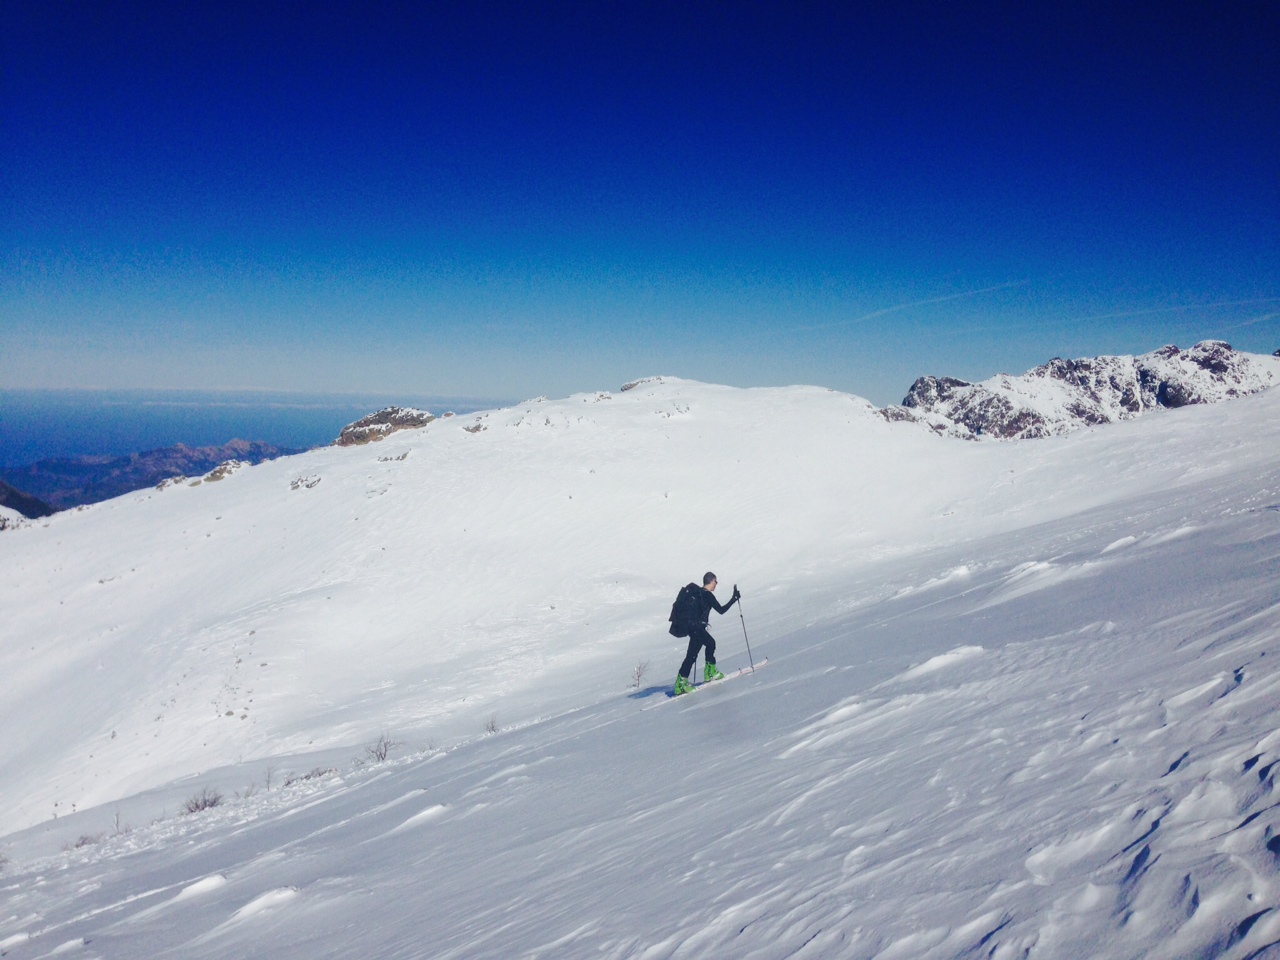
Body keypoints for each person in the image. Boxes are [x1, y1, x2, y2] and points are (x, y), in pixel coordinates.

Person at [673, 572, 741, 695]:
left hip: (693, 628)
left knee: (691, 656)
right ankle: (710, 672)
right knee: (710, 643)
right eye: (716, 582)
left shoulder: (697, 593)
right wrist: (734, 599)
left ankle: (680, 683)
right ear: (712, 581)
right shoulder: (707, 595)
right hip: (698, 628)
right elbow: (721, 610)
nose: (716, 584)